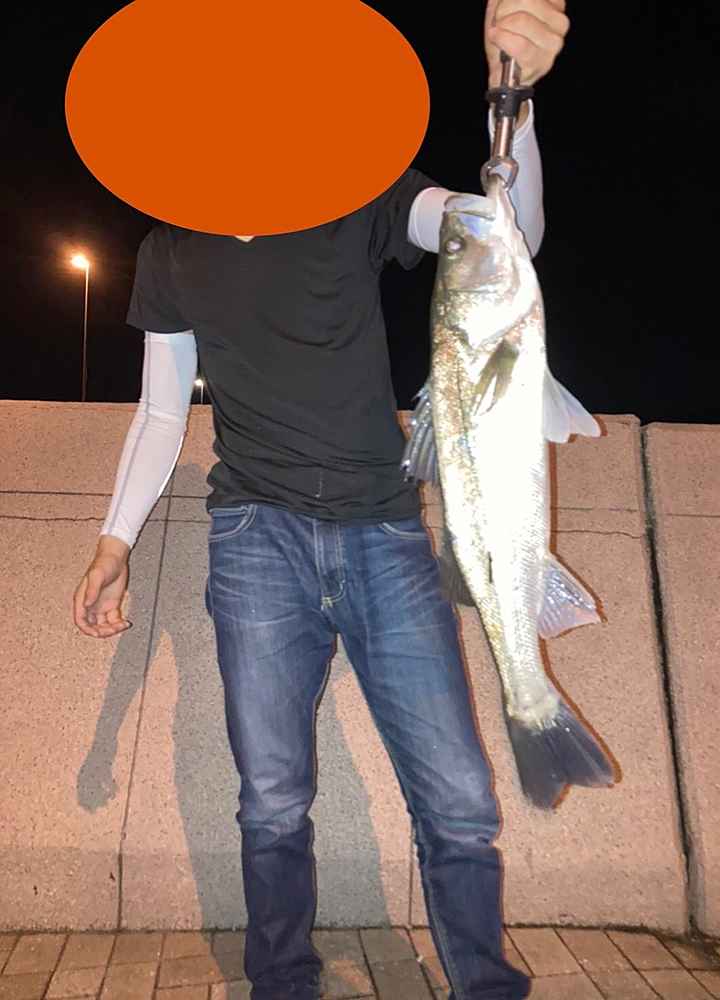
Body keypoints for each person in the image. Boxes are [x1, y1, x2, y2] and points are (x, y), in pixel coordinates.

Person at [73, 3, 569, 997]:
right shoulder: (170, 249)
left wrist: (512, 101)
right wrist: (114, 541)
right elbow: (162, 412)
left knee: (460, 796)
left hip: (385, 531)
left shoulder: (358, 195)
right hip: (253, 536)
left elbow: (498, 229)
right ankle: (283, 984)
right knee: (270, 798)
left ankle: (485, 985)